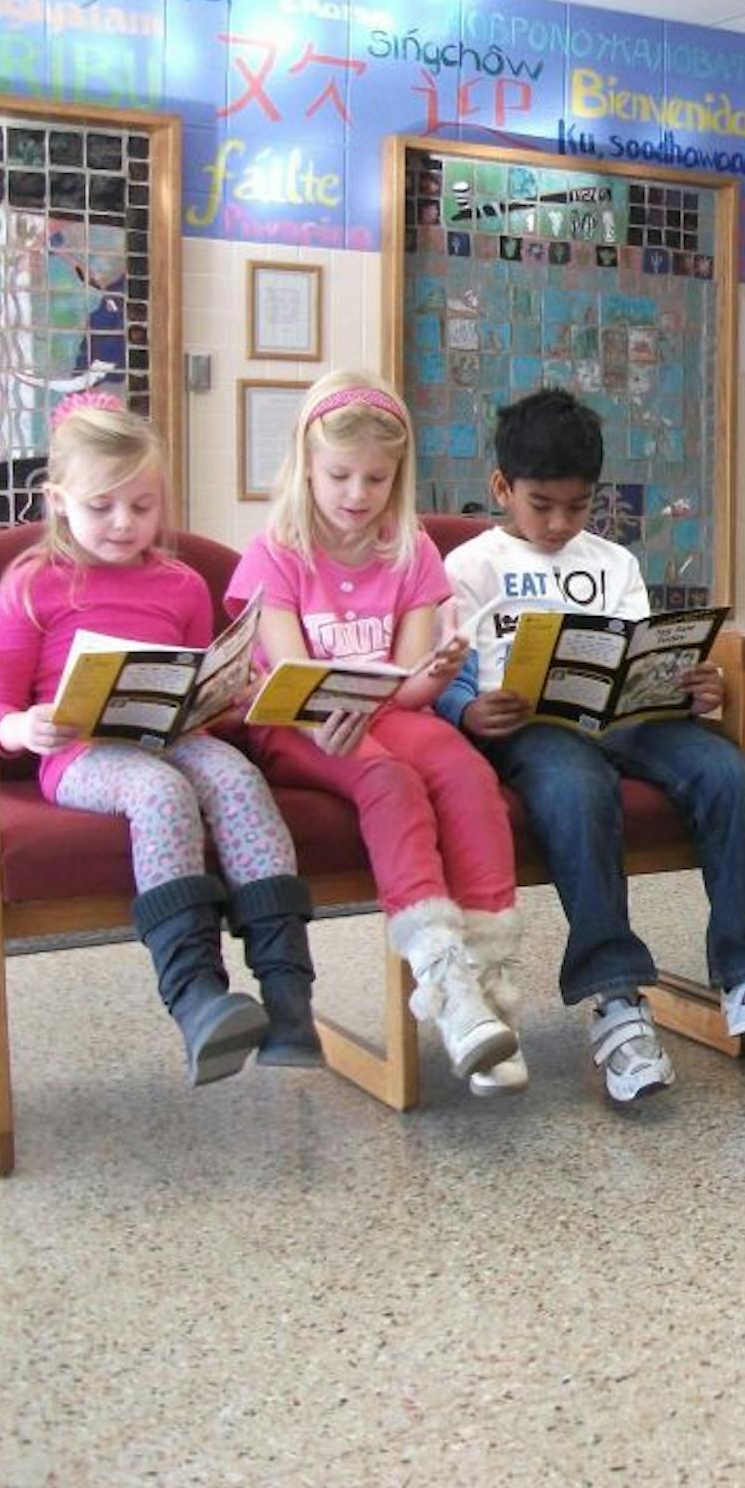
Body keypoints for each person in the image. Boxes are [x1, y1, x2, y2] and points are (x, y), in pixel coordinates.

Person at [437, 388, 745, 1103]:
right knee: (576, 788)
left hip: (624, 718)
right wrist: (468, 713)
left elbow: (639, 655)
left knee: (722, 767)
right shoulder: (468, 569)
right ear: (502, 488)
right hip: (532, 731)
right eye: (541, 504)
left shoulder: (612, 562)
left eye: (578, 505)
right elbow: (443, 677)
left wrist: (691, 687)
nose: (561, 523)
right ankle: (616, 1000)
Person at [0, 392, 320, 1084]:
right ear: (57, 499)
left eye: (142, 507)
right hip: (82, 755)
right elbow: (1, 710)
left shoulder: (180, 584)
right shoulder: (30, 585)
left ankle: (288, 995)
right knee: (161, 792)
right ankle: (196, 996)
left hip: (170, 736)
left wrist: (228, 693)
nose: (123, 523)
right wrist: (26, 726)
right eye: (102, 506)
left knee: (236, 778)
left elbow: (195, 683)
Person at [228, 370, 519, 1085]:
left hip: (386, 709)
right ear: (305, 465)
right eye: (340, 476)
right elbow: (295, 684)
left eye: (377, 479)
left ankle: (489, 983)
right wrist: (333, 715)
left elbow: (409, 688)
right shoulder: (276, 552)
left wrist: (440, 667)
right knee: (387, 777)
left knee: (464, 771)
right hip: (301, 722)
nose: (358, 495)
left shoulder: (411, 549)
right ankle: (443, 977)